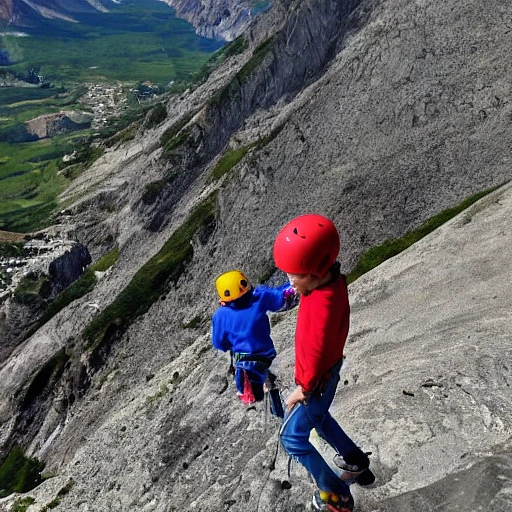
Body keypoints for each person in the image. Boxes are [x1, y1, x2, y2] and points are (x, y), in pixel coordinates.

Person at [273, 213, 373, 512]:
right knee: (319, 419)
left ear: (317, 271)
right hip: (326, 373)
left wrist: (303, 389)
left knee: (291, 438)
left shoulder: (321, 306)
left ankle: (337, 495)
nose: (290, 282)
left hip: (315, 382)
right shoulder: (330, 284)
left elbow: (315, 351)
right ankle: (356, 462)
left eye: (295, 275)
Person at [211, 269, 295, 410]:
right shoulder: (260, 297)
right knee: (274, 383)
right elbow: (281, 298)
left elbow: (219, 343)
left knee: (261, 391)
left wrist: (231, 342)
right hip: (267, 355)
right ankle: (283, 408)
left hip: (244, 361)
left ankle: (274, 410)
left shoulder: (220, 315)